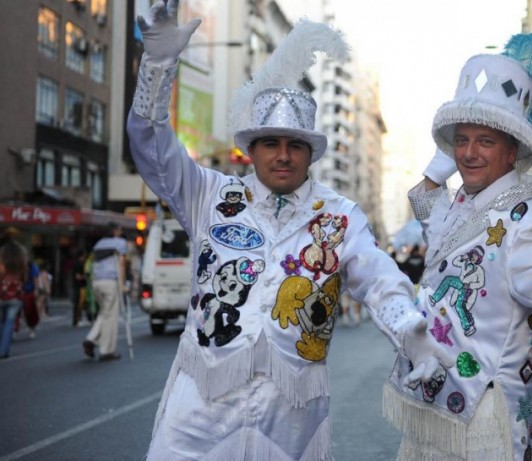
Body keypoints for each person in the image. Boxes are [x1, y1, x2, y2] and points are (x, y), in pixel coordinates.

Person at [127, 3, 449, 458]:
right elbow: (152, 148)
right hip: (200, 407)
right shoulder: (209, 194)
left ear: (310, 153)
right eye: (271, 143)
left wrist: (407, 326)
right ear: (252, 150)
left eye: (295, 144)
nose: (283, 155)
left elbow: (378, 278)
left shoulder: (339, 216)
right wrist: (157, 67)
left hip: (290, 416)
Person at [382, 32, 532, 460]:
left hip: (484, 417)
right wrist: (441, 161)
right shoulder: (460, 208)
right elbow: (425, 202)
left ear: (512, 150)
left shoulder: (530, 221)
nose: (469, 152)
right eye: (461, 139)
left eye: (485, 141)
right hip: (433, 404)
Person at [82, 224, 128, 361]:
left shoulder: (98, 244)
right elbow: (121, 264)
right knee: (111, 316)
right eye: (119, 229)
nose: (120, 232)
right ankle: (106, 350)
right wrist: (123, 285)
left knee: (104, 312)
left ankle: (92, 339)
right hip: (110, 282)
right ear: (115, 231)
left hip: (96, 282)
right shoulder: (120, 243)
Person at [0, 241, 28, 359]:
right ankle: (4, 351)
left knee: (1, 322)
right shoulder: (21, 263)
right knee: (9, 323)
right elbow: (25, 278)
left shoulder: (2, 263)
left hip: (2, 294)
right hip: (16, 296)